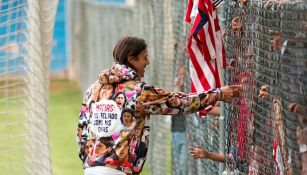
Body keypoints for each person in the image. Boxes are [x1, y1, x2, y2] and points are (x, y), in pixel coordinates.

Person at [77, 36, 242, 175]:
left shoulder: (93, 89)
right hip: (117, 169)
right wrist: (218, 94)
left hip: (91, 168)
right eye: (144, 57)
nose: (147, 62)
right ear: (131, 58)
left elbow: (81, 130)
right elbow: (179, 103)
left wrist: (87, 158)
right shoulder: (138, 91)